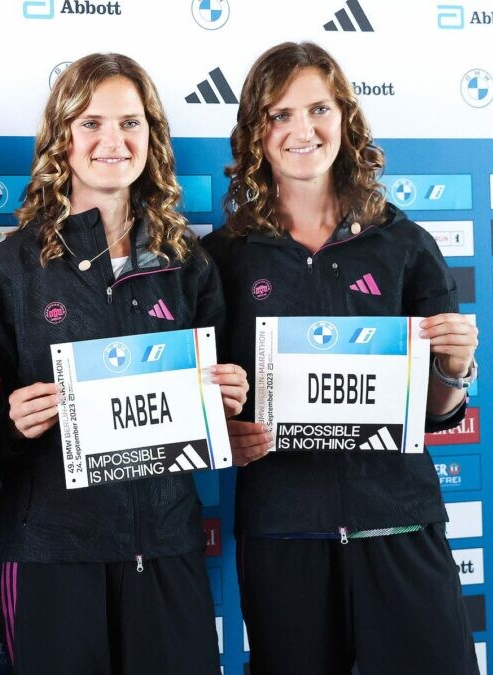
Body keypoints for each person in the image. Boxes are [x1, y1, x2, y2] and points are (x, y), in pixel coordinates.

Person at [0, 53, 247, 674]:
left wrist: (228, 399)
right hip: (51, 552)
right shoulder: (8, 270)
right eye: (91, 123)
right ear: (61, 138)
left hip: (165, 544)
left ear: (152, 136)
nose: (113, 141)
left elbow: (218, 419)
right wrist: (6, 422)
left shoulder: (189, 265)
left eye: (130, 123)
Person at [201, 42, 479, 675]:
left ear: (346, 118)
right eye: (280, 115)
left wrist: (453, 367)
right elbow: (203, 397)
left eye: (319, 109)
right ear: (255, 132)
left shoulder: (405, 244)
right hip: (284, 532)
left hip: (398, 524)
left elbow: (438, 412)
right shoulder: (223, 258)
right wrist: (224, 431)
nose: (303, 130)